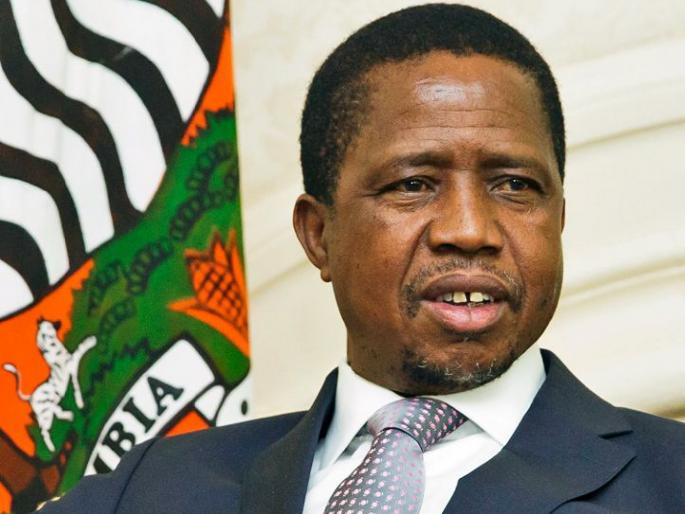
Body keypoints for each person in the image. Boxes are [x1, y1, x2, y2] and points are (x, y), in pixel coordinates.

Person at [40, 4, 685, 513]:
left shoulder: (670, 481)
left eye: (515, 185)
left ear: (559, 218)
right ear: (318, 234)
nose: (470, 230)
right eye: (413, 184)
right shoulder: (145, 492)